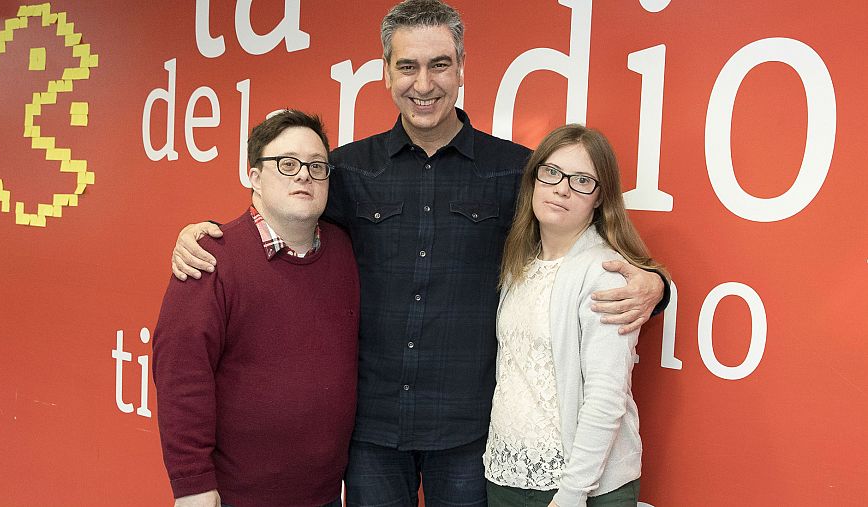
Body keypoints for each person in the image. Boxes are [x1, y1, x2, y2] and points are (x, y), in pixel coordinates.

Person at [168, 1, 667, 505]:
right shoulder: (348, 170)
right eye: (407, 66)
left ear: (461, 70)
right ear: (386, 73)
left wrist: (655, 284)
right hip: (372, 434)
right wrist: (212, 236)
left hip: (469, 433)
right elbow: (288, 208)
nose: (423, 84)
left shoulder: (513, 171)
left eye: (439, 65)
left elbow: (581, 239)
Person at [151, 110, 359, 507]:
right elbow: (181, 373)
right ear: (254, 176)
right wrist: (192, 483)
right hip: (238, 498)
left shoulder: (345, 252)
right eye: (287, 164)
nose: (304, 175)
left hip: (326, 497)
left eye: (317, 166)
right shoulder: (210, 258)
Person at [485, 124, 667, 507]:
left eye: (582, 180)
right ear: (534, 178)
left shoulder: (605, 271)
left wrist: (572, 493)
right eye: (551, 172)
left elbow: (606, 396)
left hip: (581, 488)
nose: (562, 188)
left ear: (600, 198)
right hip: (508, 476)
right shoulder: (521, 263)